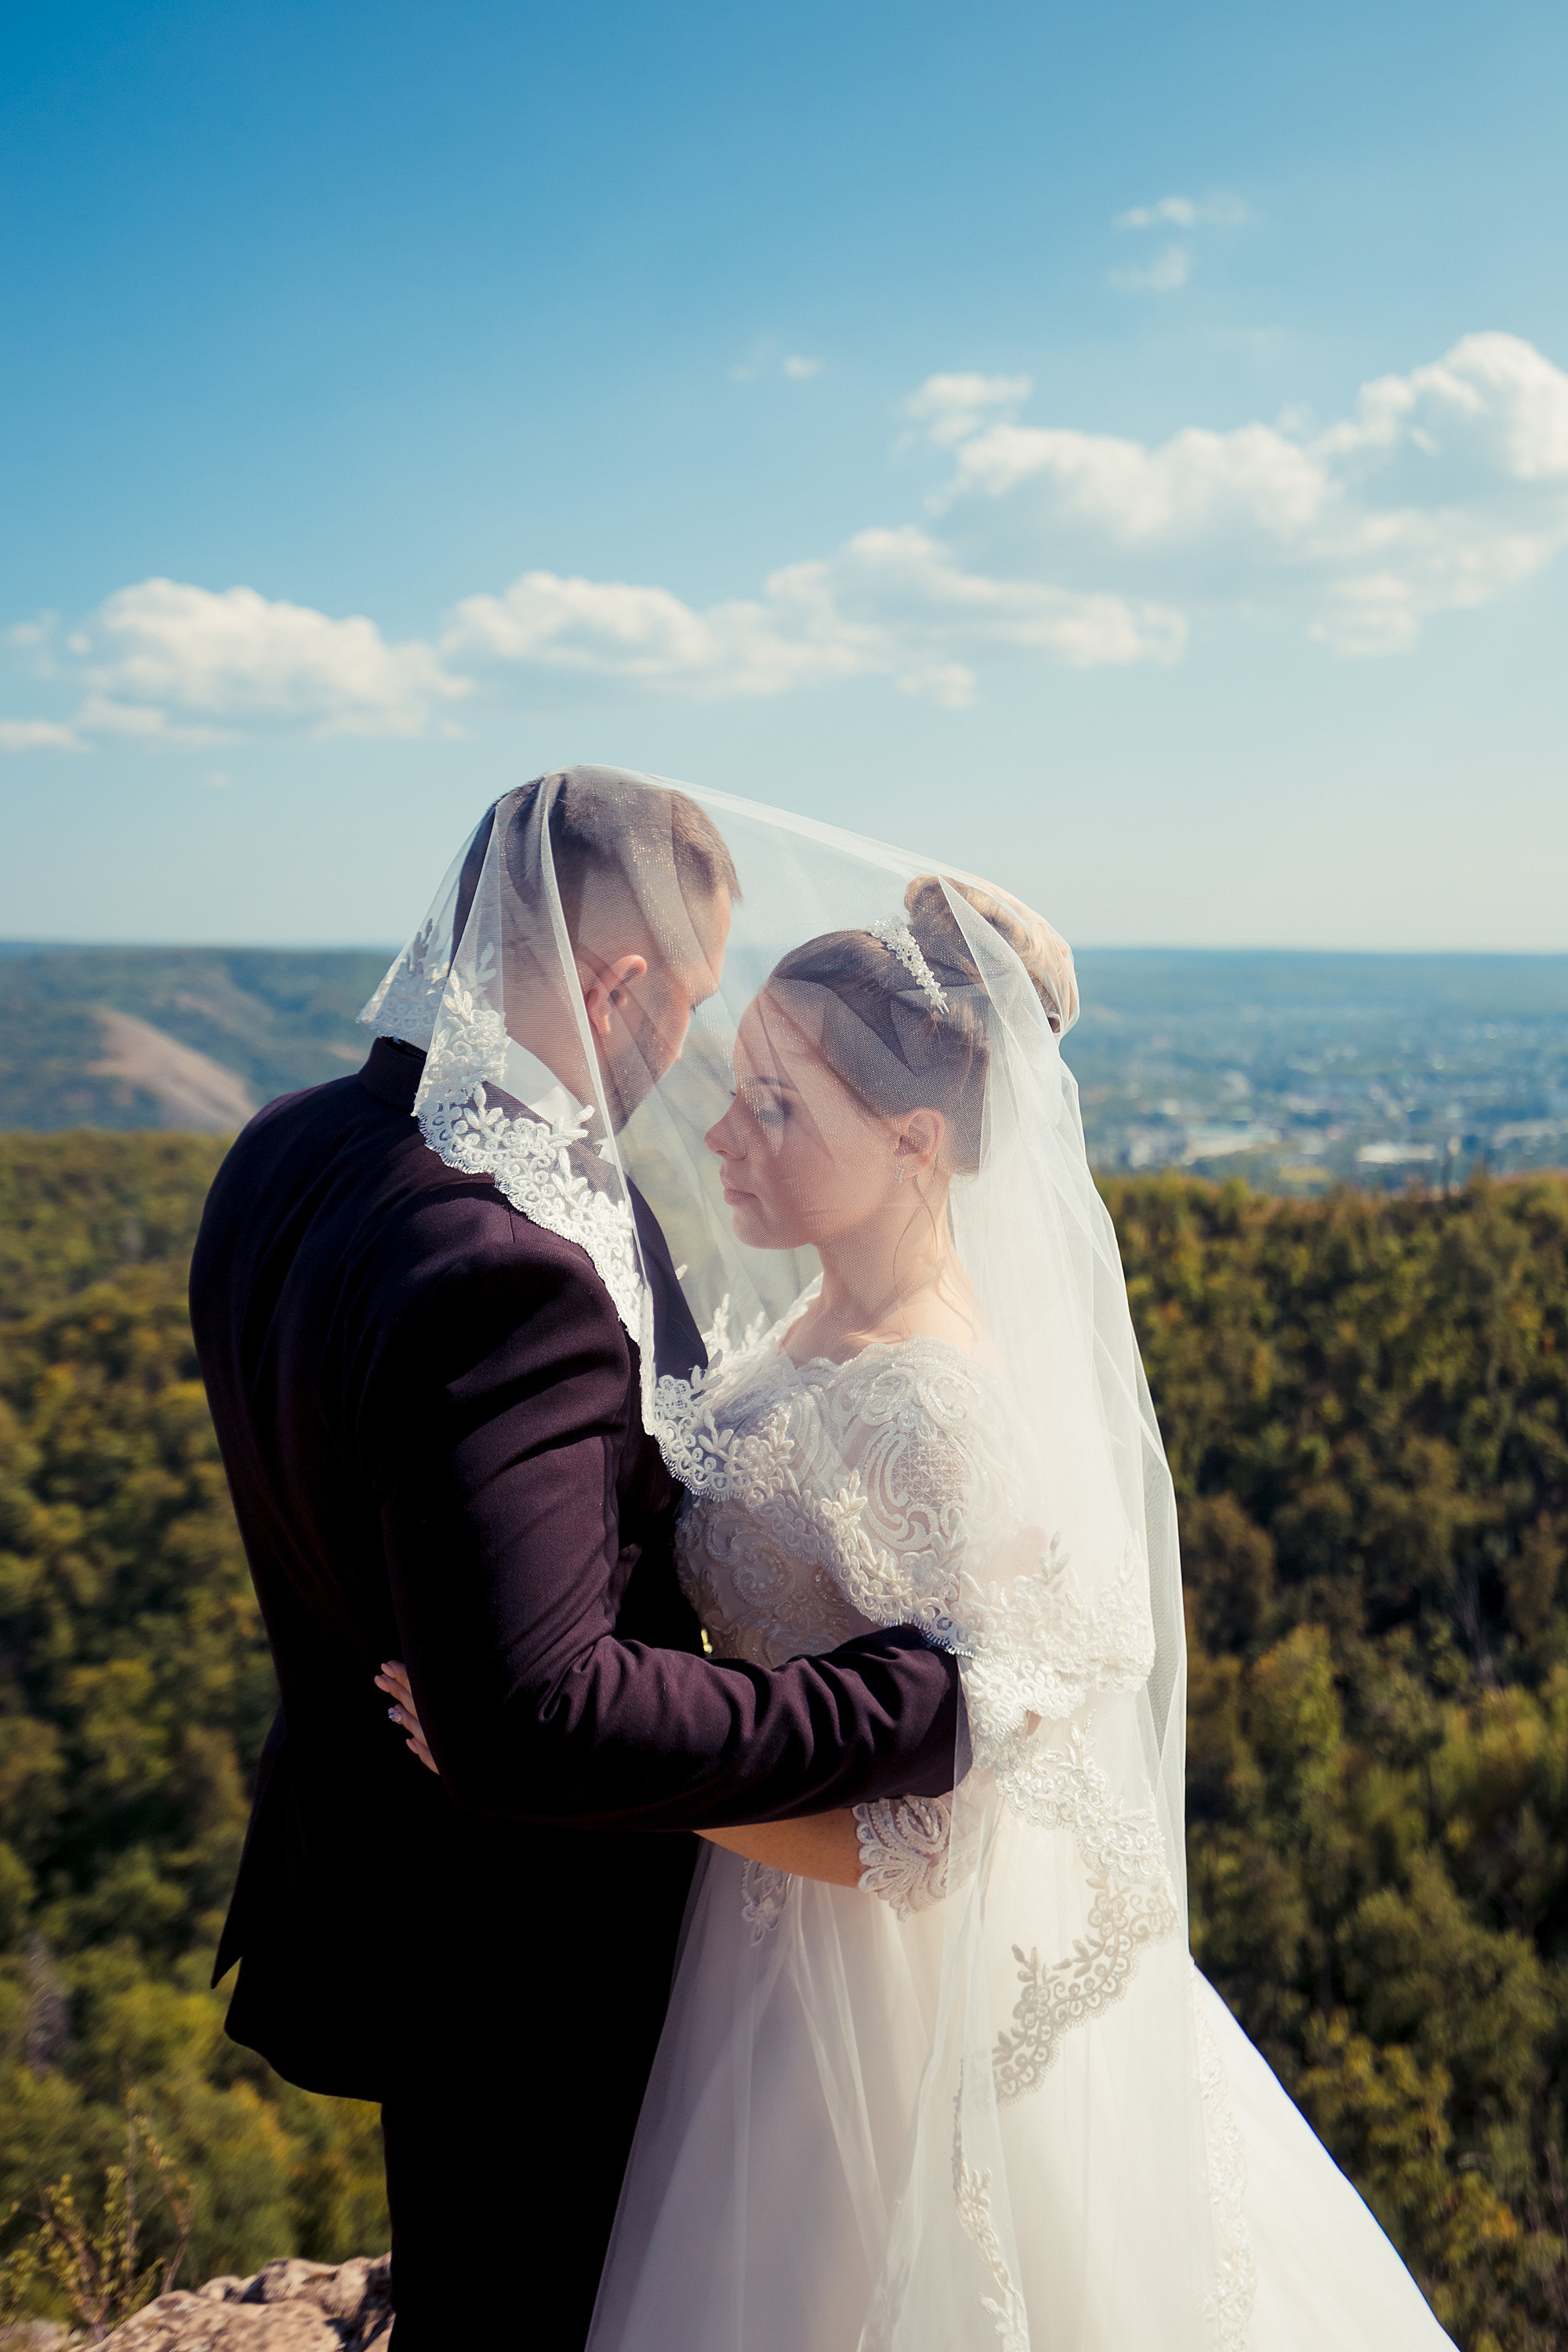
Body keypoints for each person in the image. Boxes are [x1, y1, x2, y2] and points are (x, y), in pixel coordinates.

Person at [389, 783, 1454, 2349]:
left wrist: (587, 1765)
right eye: (737, 1085)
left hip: (873, 2015)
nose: (718, 1131)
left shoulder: (940, 1415)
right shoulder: (801, 1335)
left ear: (913, 1145)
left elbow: (935, 1850)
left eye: (776, 1108)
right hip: (741, 1977)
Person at [188, 769, 964, 2352]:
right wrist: (898, 1709)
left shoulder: (285, 1153)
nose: (684, 1059)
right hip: (543, 1971)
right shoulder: (506, 1263)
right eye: (682, 1005)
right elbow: (532, 1713)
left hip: (397, 1908)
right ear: (616, 985)